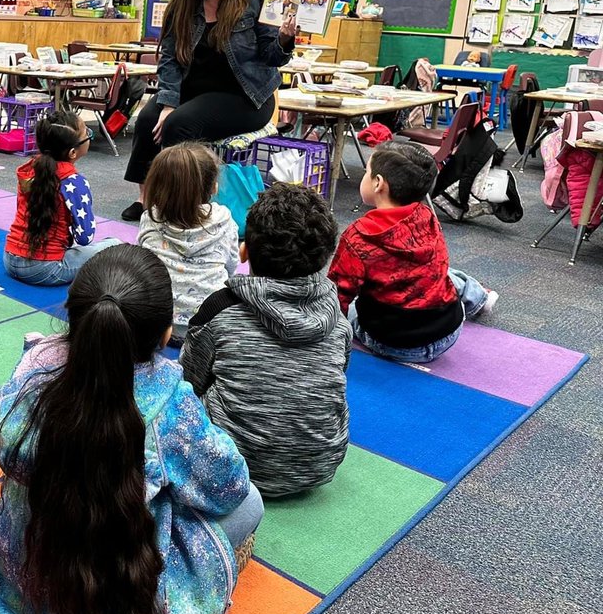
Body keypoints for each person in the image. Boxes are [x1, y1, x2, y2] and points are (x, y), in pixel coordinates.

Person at [0, 245, 259, 614]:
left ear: (73, 316)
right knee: (251, 503)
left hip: (28, 570)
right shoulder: (170, 401)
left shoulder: (34, 365)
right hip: (123, 586)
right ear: (165, 332)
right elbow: (229, 486)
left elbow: (7, 442)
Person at [182, 183, 352, 498]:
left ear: (247, 251)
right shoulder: (338, 320)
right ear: (327, 256)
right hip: (318, 466)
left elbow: (189, 380)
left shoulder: (220, 308)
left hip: (227, 466)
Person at [122, 0, 298, 221]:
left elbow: (272, 57)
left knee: (179, 125)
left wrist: (284, 39)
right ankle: (146, 198)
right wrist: (167, 102)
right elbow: (169, 60)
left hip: (245, 97)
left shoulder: (254, 3)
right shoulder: (181, 9)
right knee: (147, 119)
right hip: (195, 92)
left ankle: (179, 201)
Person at [329, 141, 498, 363]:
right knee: (441, 273)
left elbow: (337, 295)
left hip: (395, 344)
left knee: (346, 307)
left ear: (378, 183)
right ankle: (478, 298)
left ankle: (476, 297)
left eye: (366, 172)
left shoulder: (358, 237)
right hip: (448, 332)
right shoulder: (427, 217)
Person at [3, 110, 119, 286]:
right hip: (45, 269)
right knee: (115, 244)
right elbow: (85, 238)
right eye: (87, 133)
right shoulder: (74, 182)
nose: (89, 135)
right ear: (73, 152)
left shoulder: (29, 169)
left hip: (10, 259)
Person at [138, 143, 238, 345]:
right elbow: (231, 266)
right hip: (209, 327)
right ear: (214, 187)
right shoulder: (224, 220)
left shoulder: (150, 218)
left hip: (158, 325)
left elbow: (143, 263)